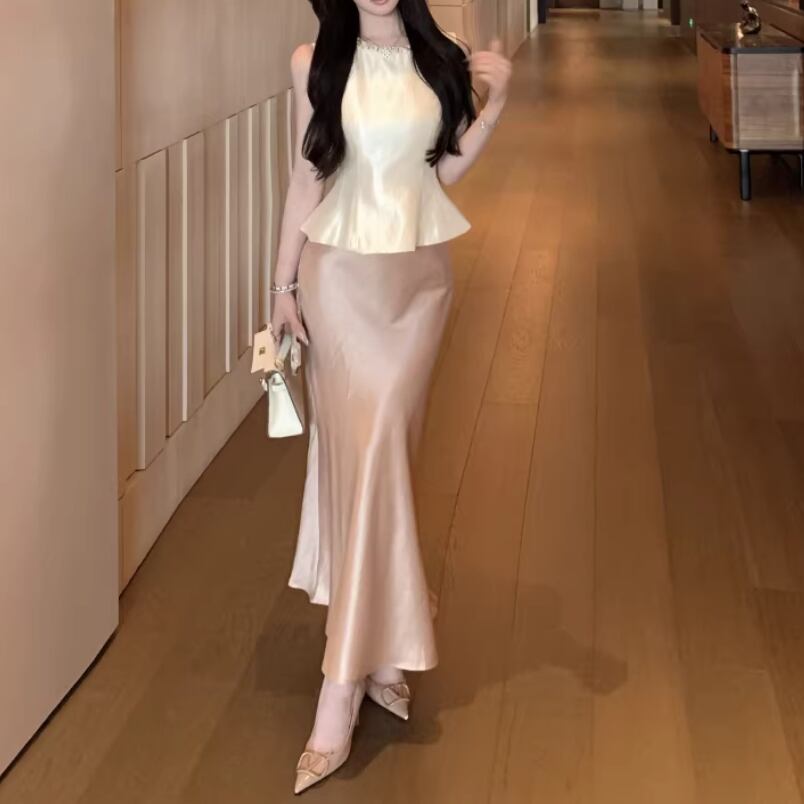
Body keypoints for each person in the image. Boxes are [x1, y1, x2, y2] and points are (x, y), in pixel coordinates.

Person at [268, 0, 512, 794]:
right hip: (339, 282)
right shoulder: (314, 62)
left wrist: (498, 102)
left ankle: (375, 652)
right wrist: (281, 287)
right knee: (365, 458)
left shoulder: (441, 56)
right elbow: (308, 176)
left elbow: (441, 171)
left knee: (386, 464)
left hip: (418, 286)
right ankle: (343, 682)